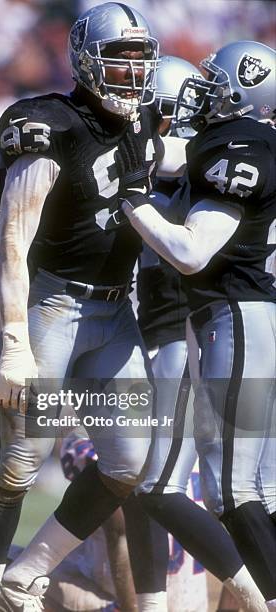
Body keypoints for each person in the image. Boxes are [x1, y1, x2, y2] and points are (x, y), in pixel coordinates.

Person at [0, 3, 189, 610]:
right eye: (121, 60)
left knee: (129, 462)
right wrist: (13, 338)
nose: (134, 74)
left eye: (142, 60)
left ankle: (26, 572)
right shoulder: (48, 125)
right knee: (18, 464)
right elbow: (12, 240)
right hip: (53, 306)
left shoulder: (144, 124)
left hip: (116, 313)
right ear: (88, 61)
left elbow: (188, 162)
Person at [120, 40, 276, 609]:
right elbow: (172, 154)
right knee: (255, 490)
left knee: (234, 491)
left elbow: (191, 253)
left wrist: (132, 203)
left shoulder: (243, 146)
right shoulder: (239, 142)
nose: (202, 89)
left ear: (244, 91)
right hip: (241, 317)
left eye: (216, 80)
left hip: (235, 314)